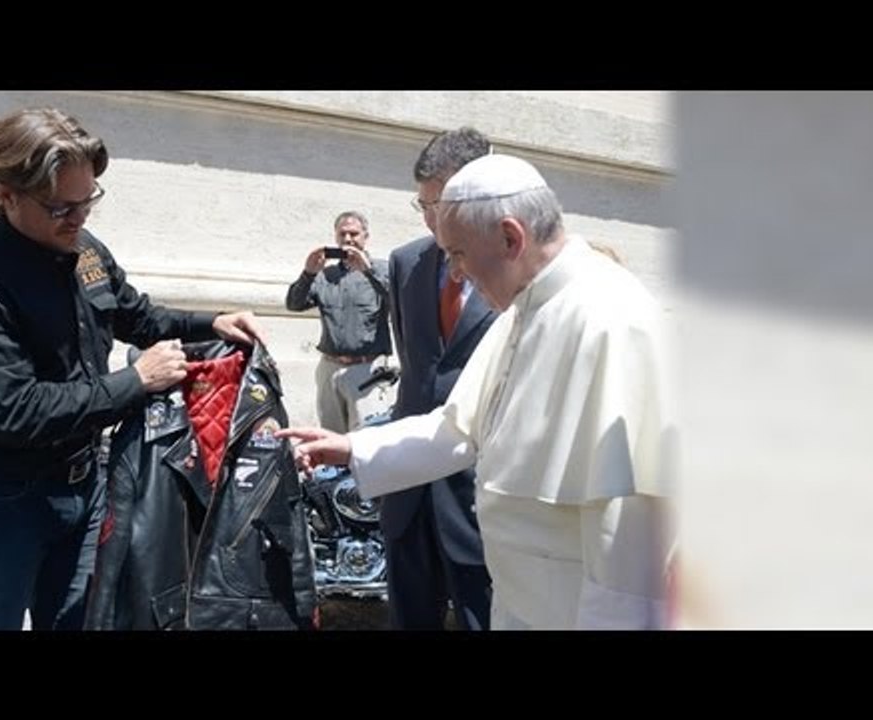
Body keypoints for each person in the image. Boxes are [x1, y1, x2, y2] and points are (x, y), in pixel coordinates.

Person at [279, 154, 674, 630]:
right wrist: (350, 447)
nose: (456, 274)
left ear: (511, 237)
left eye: (459, 253)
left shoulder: (612, 319)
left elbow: (626, 538)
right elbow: (460, 428)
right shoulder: (524, 308)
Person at [0, 107, 267, 630]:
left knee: (82, 622)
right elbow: (17, 412)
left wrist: (213, 322)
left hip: (85, 489)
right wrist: (136, 382)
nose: (80, 218)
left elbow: (139, 315)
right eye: (62, 207)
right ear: (6, 194)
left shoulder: (83, 250)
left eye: (89, 201)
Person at [382, 128, 495, 630]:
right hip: (409, 494)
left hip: (479, 496)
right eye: (422, 204)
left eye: (441, 203)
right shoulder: (406, 263)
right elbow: (417, 366)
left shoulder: (514, 267)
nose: (431, 219)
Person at [286, 211, 393, 432]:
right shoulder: (325, 275)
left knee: (368, 439)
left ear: (366, 237)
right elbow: (294, 304)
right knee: (330, 437)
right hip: (329, 367)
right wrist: (307, 273)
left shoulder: (382, 269)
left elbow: (397, 301)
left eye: (354, 233)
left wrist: (368, 271)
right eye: (342, 234)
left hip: (367, 369)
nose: (347, 239)